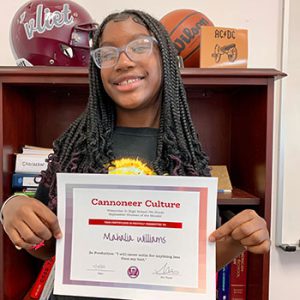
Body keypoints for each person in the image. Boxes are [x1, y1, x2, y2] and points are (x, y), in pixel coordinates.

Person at [0, 9, 270, 299]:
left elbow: (194, 266)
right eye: (107, 54)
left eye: (139, 46)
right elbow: (49, 248)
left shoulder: (185, 153)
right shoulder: (76, 147)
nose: (123, 61)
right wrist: (11, 211)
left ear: (165, 57)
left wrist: (240, 240)